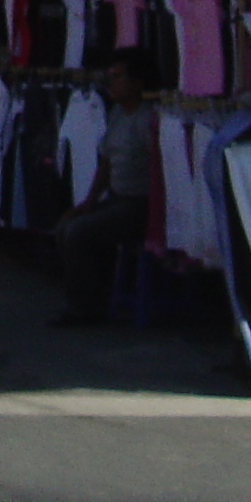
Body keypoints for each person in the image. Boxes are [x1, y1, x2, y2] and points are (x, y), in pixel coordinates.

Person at [52, 54, 158, 328]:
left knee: (79, 233)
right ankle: (88, 296)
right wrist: (89, 201)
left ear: (136, 82)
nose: (111, 82)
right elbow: (106, 162)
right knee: (67, 226)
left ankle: (84, 308)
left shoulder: (149, 119)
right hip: (117, 198)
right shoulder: (117, 114)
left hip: (139, 203)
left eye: (118, 76)